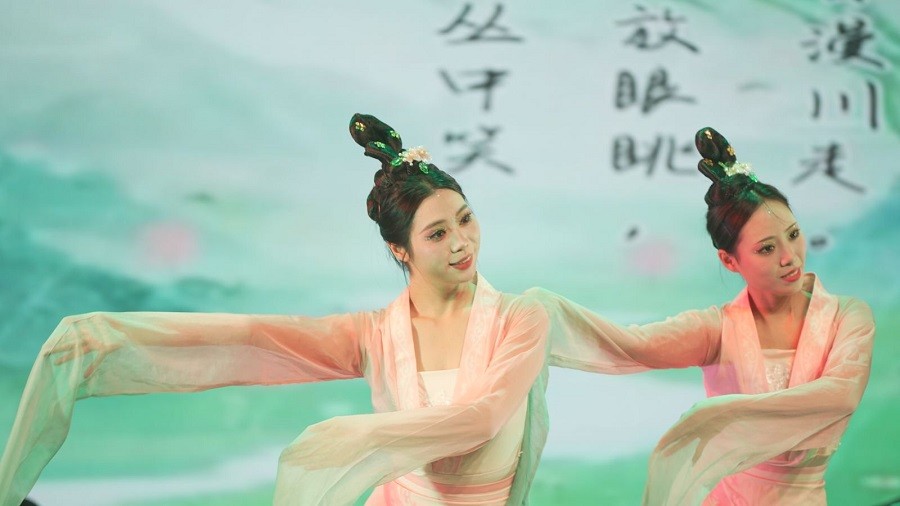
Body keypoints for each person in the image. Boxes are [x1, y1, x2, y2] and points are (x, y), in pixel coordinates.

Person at [0, 113, 550, 506]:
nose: (461, 242)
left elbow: (483, 419)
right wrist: (110, 337)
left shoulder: (521, 319)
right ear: (400, 249)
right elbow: (254, 337)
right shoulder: (377, 334)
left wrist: (350, 438)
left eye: (465, 219)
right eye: (437, 233)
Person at [530, 127, 875, 505]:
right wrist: (540, 314)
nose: (789, 257)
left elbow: (841, 395)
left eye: (793, 235)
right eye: (766, 249)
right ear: (730, 261)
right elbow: (630, 345)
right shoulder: (717, 329)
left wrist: (713, 417)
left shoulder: (846, 318)